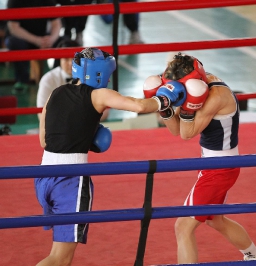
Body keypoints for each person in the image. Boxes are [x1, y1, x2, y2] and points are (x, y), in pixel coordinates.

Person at [35, 47, 183, 266]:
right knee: (60, 258)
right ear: (100, 73)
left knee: (59, 255)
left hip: (44, 177)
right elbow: (139, 106)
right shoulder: (99, 95)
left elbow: (44, 141)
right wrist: (165, 96)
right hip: (70, 181)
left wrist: (82, 134)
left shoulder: (55, 93)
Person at [143, 52, 256, 263]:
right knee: (215, 220)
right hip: (213, 165)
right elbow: (175, 129)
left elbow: (185, 133)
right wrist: (165, 107)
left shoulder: (216, 96)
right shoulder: (195, 78)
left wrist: (186, 109)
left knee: (183, 226)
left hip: (220, 168)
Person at [37, 39, 109, 122]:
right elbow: (41, 114)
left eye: (74, 59)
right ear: (59, 60)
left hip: (86, 127)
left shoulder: (91, 76)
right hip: (59, 128)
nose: (71, 63)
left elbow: (105, 112)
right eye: (66, 59)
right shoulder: (48, 80)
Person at [5, 0, 63, 91]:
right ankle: (21, 80)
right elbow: (13, 27)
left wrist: (51, 39)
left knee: (63, 42)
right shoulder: (14, 1)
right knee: (14, 43)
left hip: (43, 38)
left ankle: (57, 80)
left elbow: (56, 23)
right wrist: (37, 40)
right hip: (23, 38)